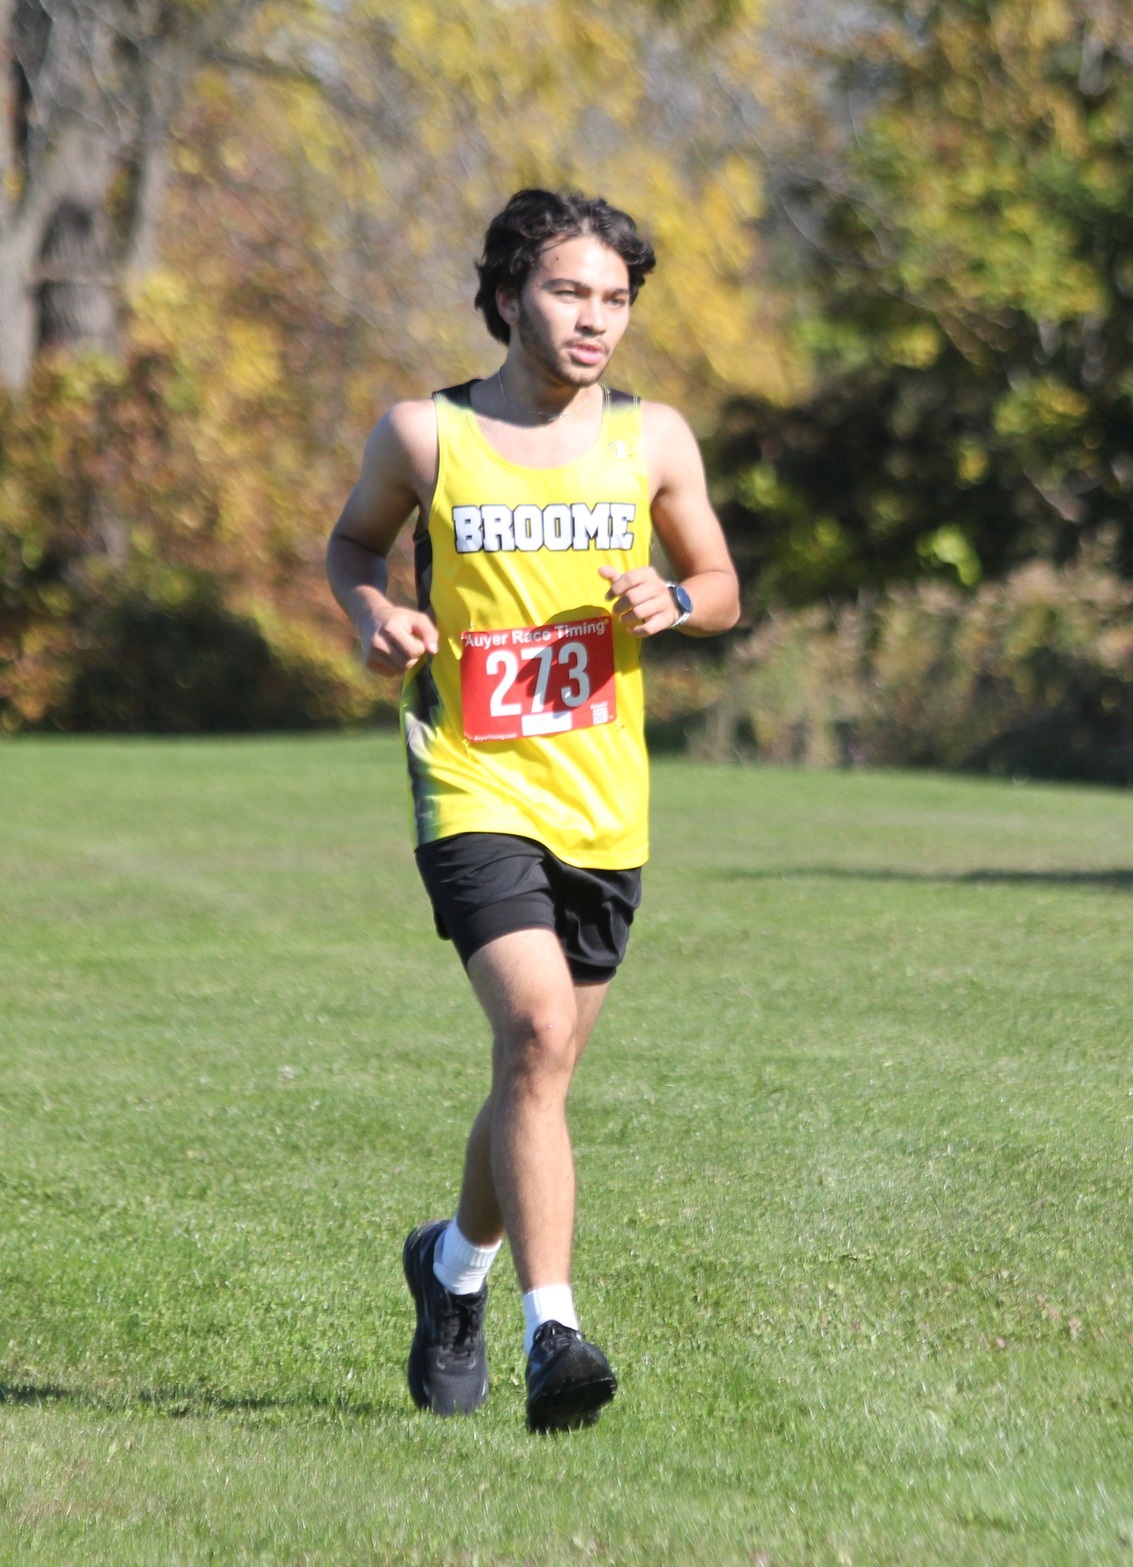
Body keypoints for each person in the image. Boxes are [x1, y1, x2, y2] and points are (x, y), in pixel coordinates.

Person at [324, 189, 740, 1431]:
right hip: (471, 778)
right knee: (536, 1028)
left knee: (536, 1068)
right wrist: (373, 616)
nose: (593, 320)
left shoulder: (652, 440)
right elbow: (349, 548)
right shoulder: (425, 437)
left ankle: (449, 1267)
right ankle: (551, 1331)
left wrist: (674, 602)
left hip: (603, 802)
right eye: (568, 292)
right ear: (507, 295)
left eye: (615, 299)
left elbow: (719, 582)